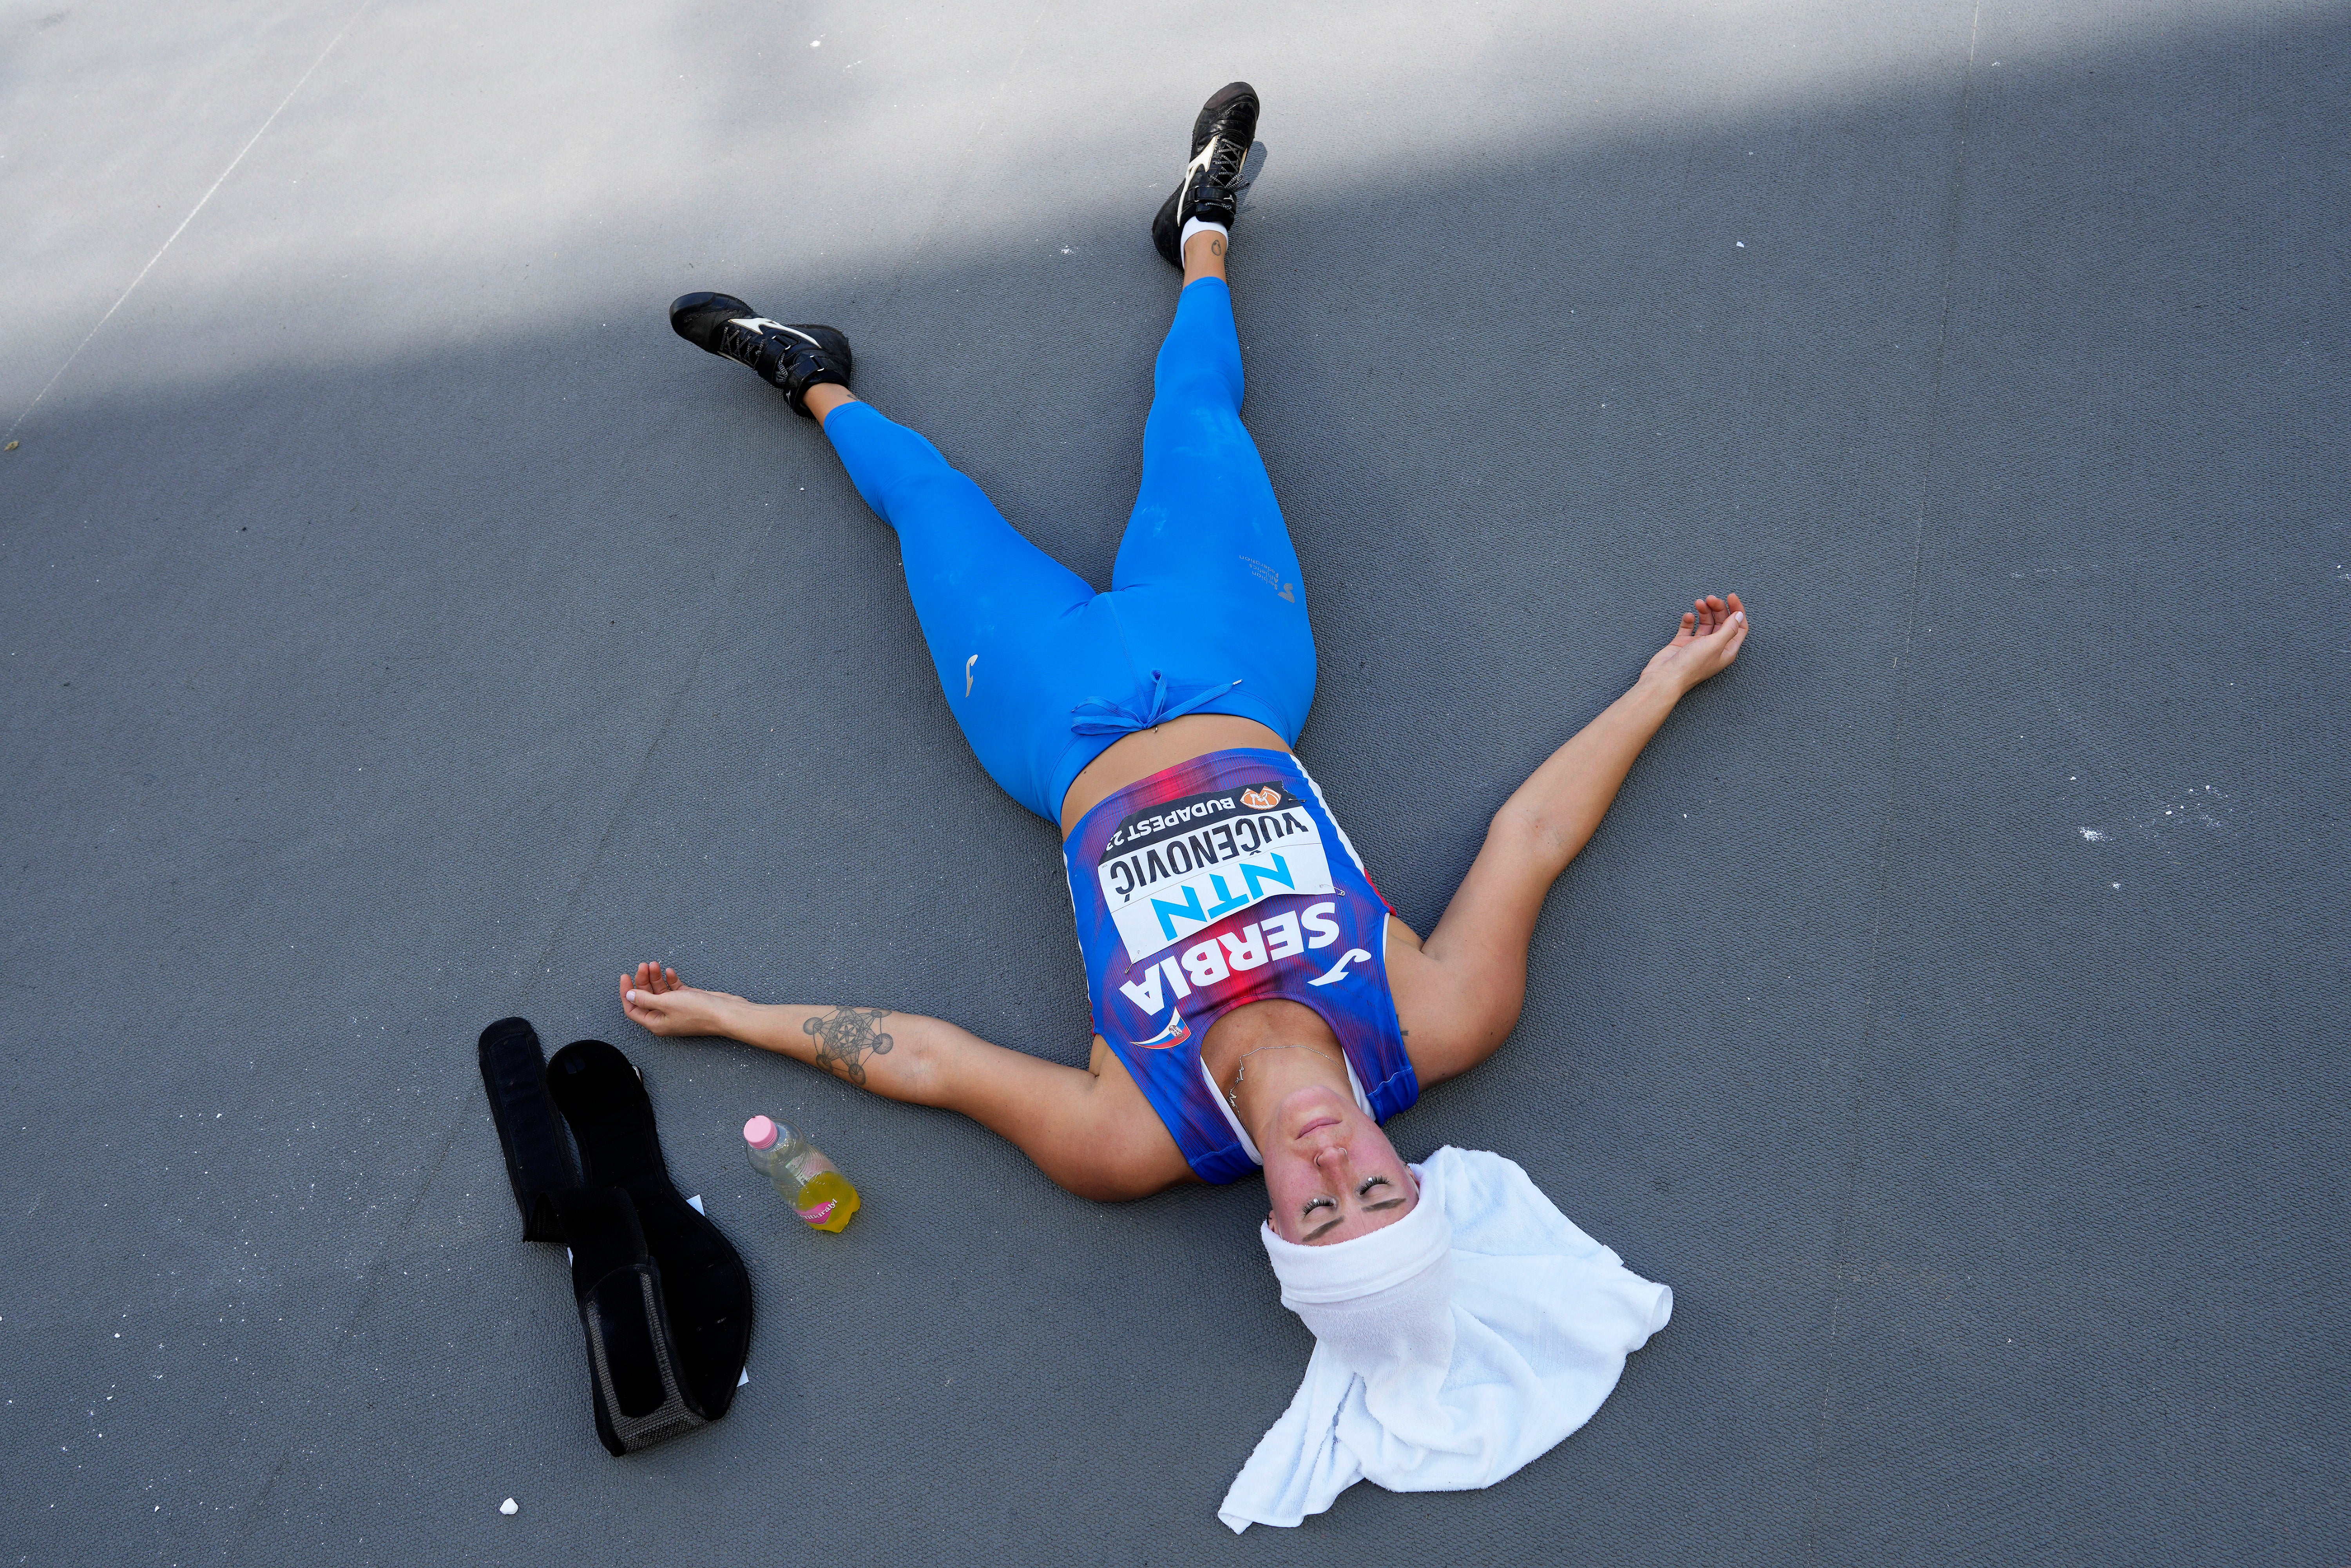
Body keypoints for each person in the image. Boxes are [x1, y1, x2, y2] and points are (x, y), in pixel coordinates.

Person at [621, 82, 1750, 1253]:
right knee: (1199, 416)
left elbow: (939, 1062)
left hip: (1056, 723)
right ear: (1416, 1176)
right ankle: (1202, 228)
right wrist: (1663, 682)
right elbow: (1534, 839)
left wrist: (735, 1016)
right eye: (1376, 1190)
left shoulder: (1133, 1142)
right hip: (1234, 669)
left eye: (1317, 1209)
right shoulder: (1441, 1020)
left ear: (1274, 1224)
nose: (1331, 1165)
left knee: (928, 504)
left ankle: (811, 376)